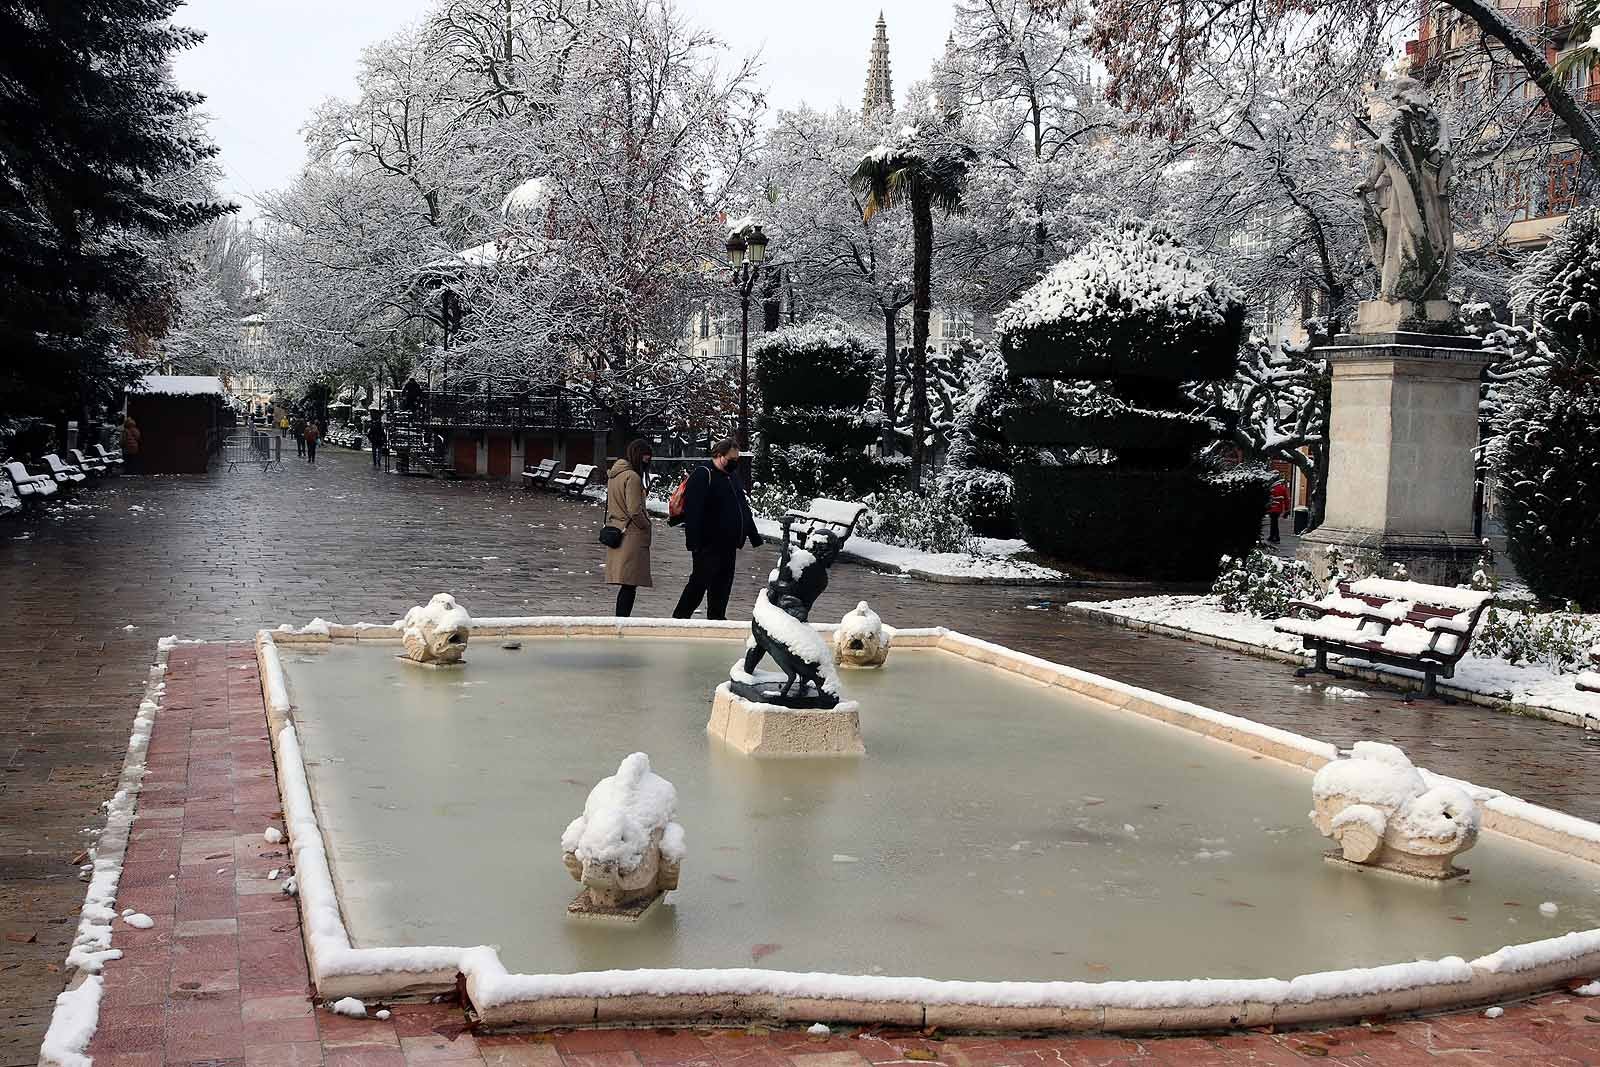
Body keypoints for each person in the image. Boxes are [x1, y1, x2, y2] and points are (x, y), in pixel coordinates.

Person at [672, 438, 763, 621]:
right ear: (719, 456)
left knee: (722, 584)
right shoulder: (703, 474)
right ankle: (680, 618)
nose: (735, 463)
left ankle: (717, 618)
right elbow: (694, 512)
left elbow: (742, 507)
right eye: (732, 459)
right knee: (699, 583)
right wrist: (694, 543)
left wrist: (753, 535)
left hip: (728, 544)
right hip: (708, 543)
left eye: (737, 459)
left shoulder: (731, 477)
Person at [604, 439, 654, 617]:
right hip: (631, 534)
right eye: (646, 459)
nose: (647, 463)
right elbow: (634, 509)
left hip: (618, 529)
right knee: (629, 584)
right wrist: (646, 525)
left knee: (627, 583)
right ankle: (622, 620)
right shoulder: (632, 477)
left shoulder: (615, 475)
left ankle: (621, 619)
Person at [1267, 476, 1290, 544]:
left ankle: (1276, 537)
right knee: (1274, 522)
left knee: (1274, 523)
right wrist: (1286, 508)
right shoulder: (1283, 489)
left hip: (1272, 508)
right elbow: (1286, 499)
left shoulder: (1272, 489)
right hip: (1279, 508)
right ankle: (1272, 536)